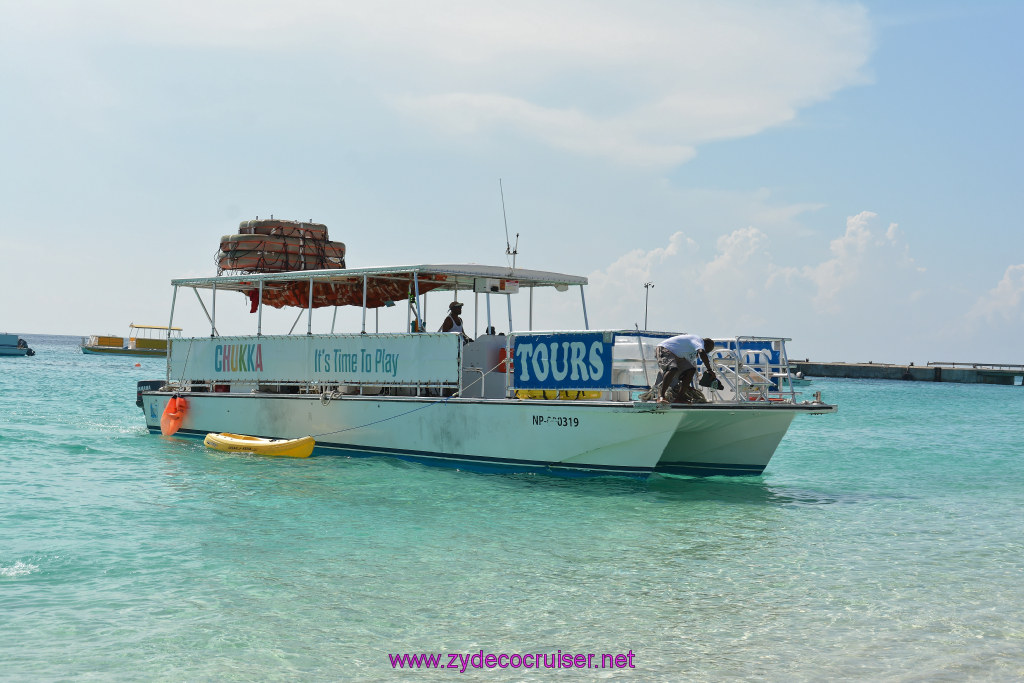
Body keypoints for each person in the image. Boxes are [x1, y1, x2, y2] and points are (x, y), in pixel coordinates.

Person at [645, 334, 717, 404]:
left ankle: (679, 398)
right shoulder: (698, 340)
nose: (706, 352)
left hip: (677, 355)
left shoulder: (691, 350)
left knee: (691, 370)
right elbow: (702, 352)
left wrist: (687, 386)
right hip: (665, 348)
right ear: (705, 345)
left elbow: (686, 371)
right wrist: (709, 370)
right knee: (673, 368)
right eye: (707, 350)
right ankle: (661, 396)